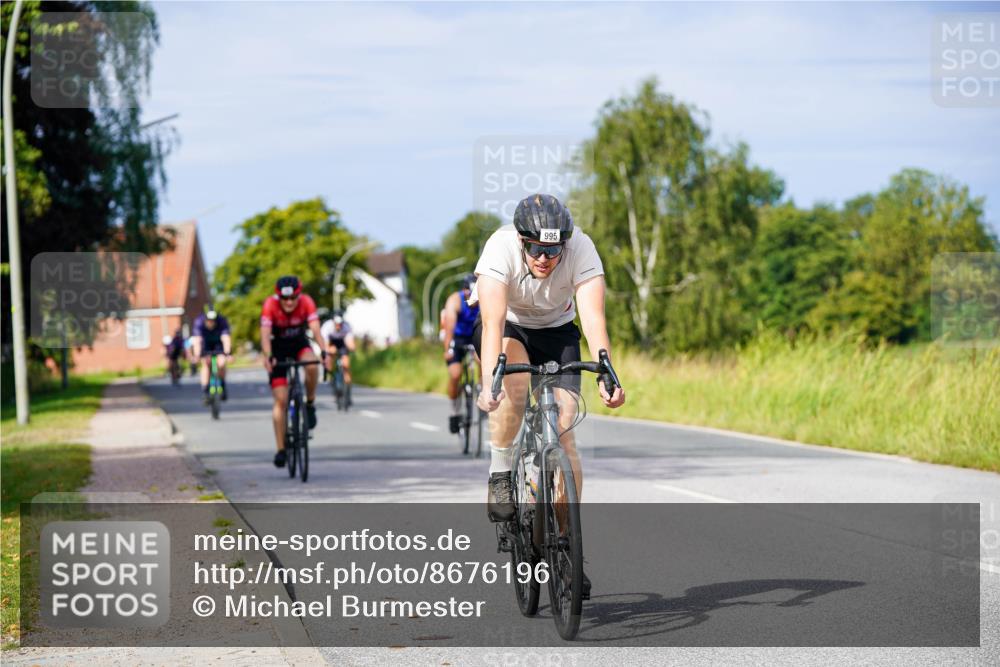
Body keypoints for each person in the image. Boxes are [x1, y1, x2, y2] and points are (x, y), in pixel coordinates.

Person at [471, 194, 626, 596]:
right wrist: (491, 382)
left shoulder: (582, 248)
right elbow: (490, 324)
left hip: (557, 331)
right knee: (516, 392)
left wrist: (606, 370)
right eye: (537, 249)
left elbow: (593, 316)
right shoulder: (499, 247)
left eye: (553, 250)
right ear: (522, 241)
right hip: (511, 326)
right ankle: (501, 471)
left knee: (565, 425)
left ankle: (566, 542)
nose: (545, 258)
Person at [260, 276, 324, 468]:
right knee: (280, 400)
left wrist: (325, 351)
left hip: (298, 344)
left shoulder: (306, 302)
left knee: (312, 364)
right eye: (284, 299)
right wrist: (268, 355)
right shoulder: (270, 305)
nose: (289, 302)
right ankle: (281, 449)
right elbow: (264, 335)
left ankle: (310, 403)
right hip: (277, 348)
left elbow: (316, 330)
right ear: (278, 296)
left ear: (299, 294)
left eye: (292, 298)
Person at [442, 273, 480, 433]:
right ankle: (454, 411)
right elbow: (449, 327)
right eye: (469, 294)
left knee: (484, 360)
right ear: (464, 291)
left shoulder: (483, 299)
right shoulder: (454, 300)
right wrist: (448, 349)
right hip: (456, 338)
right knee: (456, 374)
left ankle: (482, 389)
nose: (472, 298)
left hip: (473, 335)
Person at [191, 307, 232, 401]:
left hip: (218, 345)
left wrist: (228, 353)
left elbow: (226, 338)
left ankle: (223, 385)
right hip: (205, 345)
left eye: (213, 321)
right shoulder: (199, 322)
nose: (211, 323)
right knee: (206, 364)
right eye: (209, 321)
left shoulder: (222, 321)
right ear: (205, 319)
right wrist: (197, 355)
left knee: (221, 363)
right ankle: (205, 391)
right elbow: (197, 340)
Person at [320, 312, 356, 406]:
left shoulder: (347, 326)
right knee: (330, 360)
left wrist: (352, 347)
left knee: (346, 365)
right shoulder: (327, 327)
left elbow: (350, 342)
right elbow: (325, 344)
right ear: (333, 322)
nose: (338, 326)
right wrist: (329, 350)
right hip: (331, 342)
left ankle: (348, 392)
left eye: (340, 324)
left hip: (342, 343)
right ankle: (332, 378)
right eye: (336, 324)